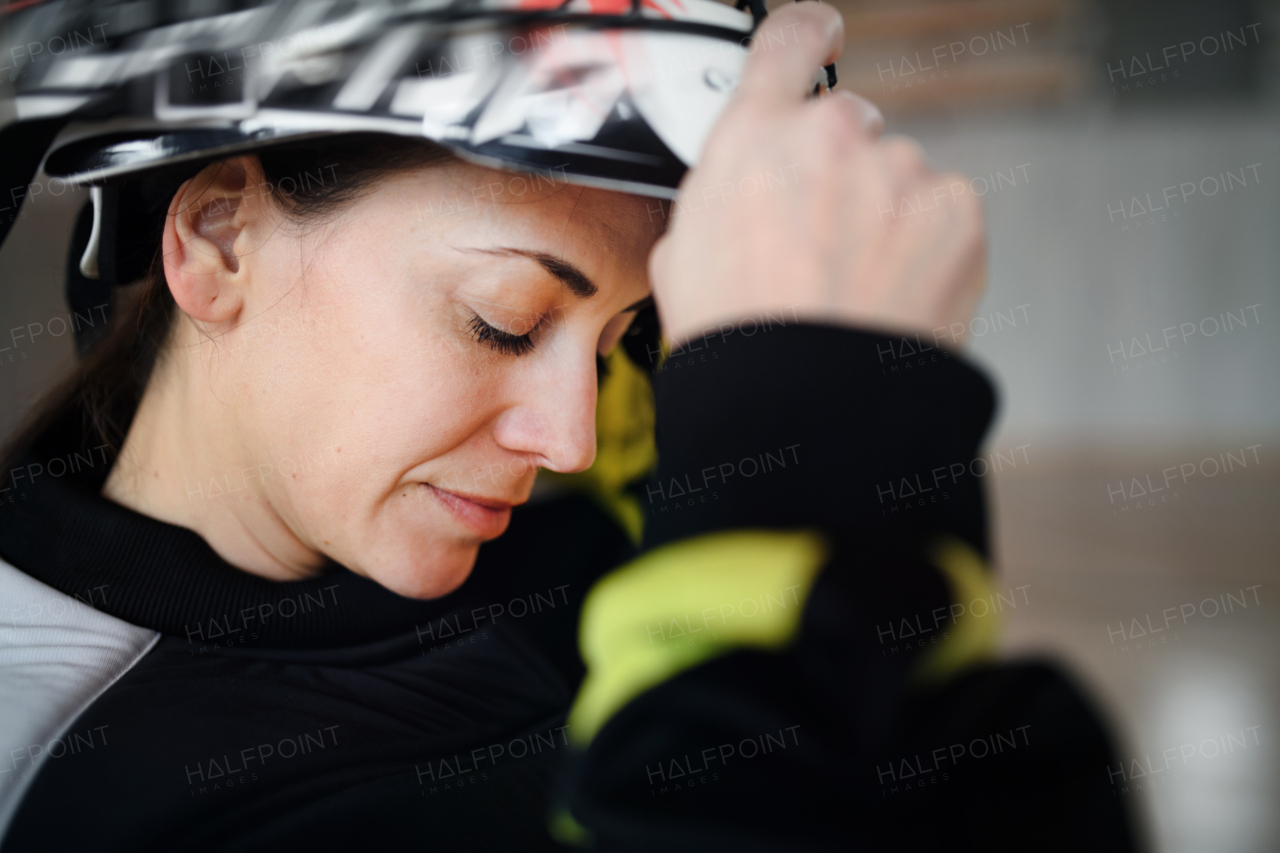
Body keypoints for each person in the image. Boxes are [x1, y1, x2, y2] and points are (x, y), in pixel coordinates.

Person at [0, 0, 1135, 850]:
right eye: (502, 323)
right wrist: (807, 471)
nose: (571, 440)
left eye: (615, 344)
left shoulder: (565, 554)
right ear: (215, 241)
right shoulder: (74, 755)